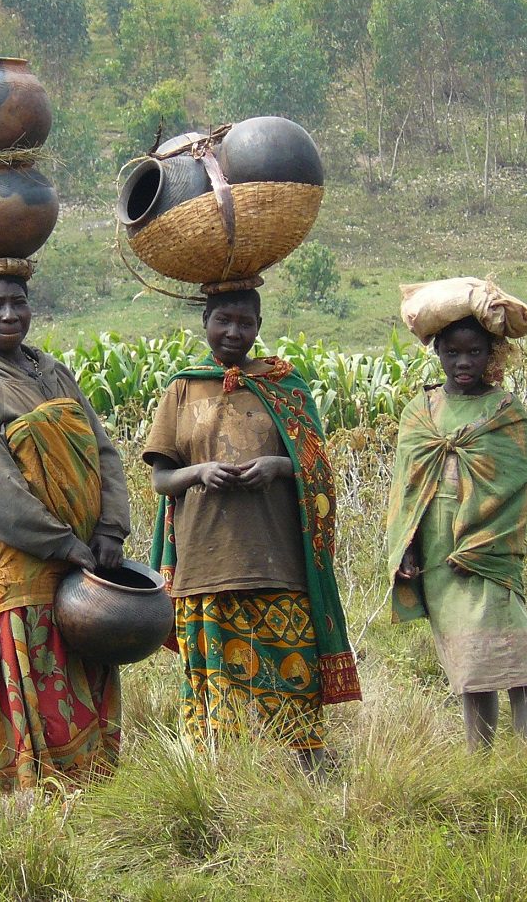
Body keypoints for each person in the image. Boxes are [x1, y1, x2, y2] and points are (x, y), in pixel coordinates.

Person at [143, 287, 361, 771]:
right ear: (205, 320)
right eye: (224, 320)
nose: (234, 332)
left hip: (276, 561)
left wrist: (280, 466)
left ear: (259, 325)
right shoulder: (183, 388)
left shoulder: (286, 387)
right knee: (215, 689)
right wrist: (199, 473)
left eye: (246, 322)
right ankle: (220, 786)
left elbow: (318, 469)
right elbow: (161, 478)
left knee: (294, 676)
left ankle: (313, 775)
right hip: (206, 564)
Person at [0, 271, 130, 791]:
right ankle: (46, 789)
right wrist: (61, 543)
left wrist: (110, 532)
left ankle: (97, 788)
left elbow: (105, 454)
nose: (9, 316)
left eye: (19, 303)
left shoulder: (56, 374)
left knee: (88, 662)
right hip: (26, 560)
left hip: (90, 559)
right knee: (41, 668)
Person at [386, 310, 527, 750]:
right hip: (438, 551)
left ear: (491, 353)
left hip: (488, 548)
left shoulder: (505, 411)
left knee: (516, 653)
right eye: (452, 351)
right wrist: (406, 549)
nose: (463, 362)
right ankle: (480, 759)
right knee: (469, 663)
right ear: (436, 351)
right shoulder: (421, 411)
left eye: (474, 351)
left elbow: (518, 482)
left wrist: (481, 535)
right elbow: (405, 488)